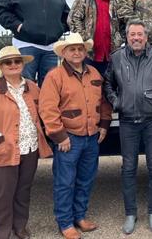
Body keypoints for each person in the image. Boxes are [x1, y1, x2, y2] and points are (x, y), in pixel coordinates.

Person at [0, 46, 52, 239]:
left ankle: (19, 228)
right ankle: (2, 234)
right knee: (1, 198)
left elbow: (45, 112)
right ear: (1, 67)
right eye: (8, 62)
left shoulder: (32, 87)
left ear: (22, 64)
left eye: (17, 61)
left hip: (29, 148)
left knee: (23, 192)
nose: (13, 65)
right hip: (2, 151)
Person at [103, 20, 152, 235]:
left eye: (140, 35)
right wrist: (117, 102)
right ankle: (130, 214)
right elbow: (108, 83)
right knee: (128, 168)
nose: (136, 38)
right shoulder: (116, 57)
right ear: (127, 36)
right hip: (127, 121)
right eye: (132, 34)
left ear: (146, 36)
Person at [39, 33, 112, 239]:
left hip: (91, 137)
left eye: (80, 48)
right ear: (64, 53)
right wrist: (60, 136)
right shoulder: (55, 76)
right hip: (69, 139)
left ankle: (80, 216)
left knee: (86, 179)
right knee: (65, 182)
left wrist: (104, 124)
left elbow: (104, 102)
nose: (77, 52)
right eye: (72, 49)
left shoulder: (95, 74)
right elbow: (48, 109)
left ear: (85, 51)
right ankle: (65, 222)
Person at [0, 0, 70, 86]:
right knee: (25, 84)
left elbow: (68, 16)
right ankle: (27, 106)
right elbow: (0, 10)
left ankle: (45, 107)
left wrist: (59, 29)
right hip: (26, 46)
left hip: (51, 49)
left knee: (49, 85)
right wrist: (17, 25)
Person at [68, 0, 123, 74]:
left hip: (112, 53)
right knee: (89, 85)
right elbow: (73, 19)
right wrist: (85, 39)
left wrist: (120, 39)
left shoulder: (117, 0)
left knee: (110, 85)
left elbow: (125, 22)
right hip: (89, 53)